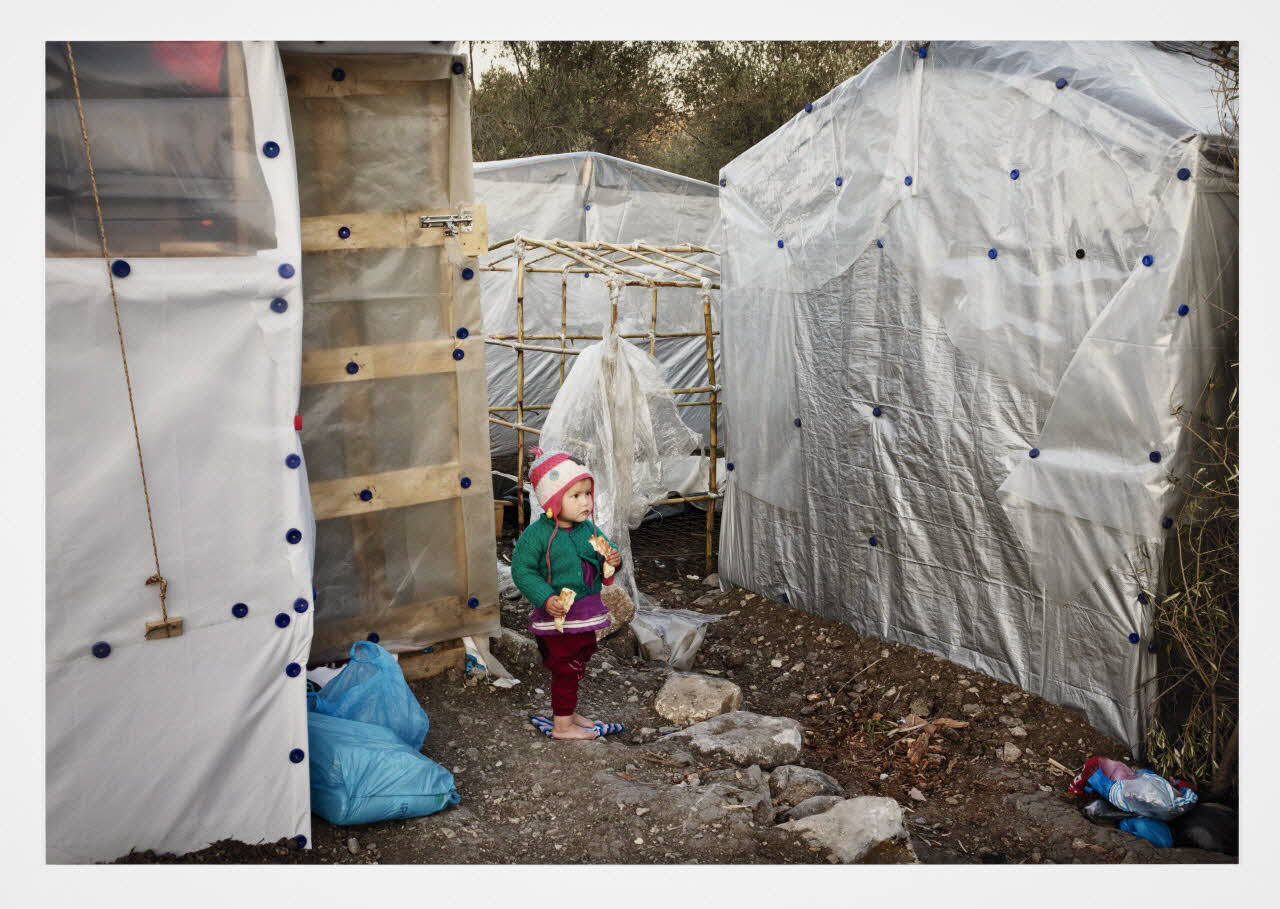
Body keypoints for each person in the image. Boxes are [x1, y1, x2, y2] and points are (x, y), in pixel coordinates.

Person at [511, 448, 625, 740]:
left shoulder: (588, 530)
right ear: (551, 501)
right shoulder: (536, 536)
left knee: (579, 662)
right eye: (575, 496)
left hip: (585, 614)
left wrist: (612, 560)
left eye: (587, 493)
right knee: (565, 668)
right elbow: (522, 571)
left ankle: (569, 712)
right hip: (558, 618)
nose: (586, 501)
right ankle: (562, 726)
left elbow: (606, 554)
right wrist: (546, 598)